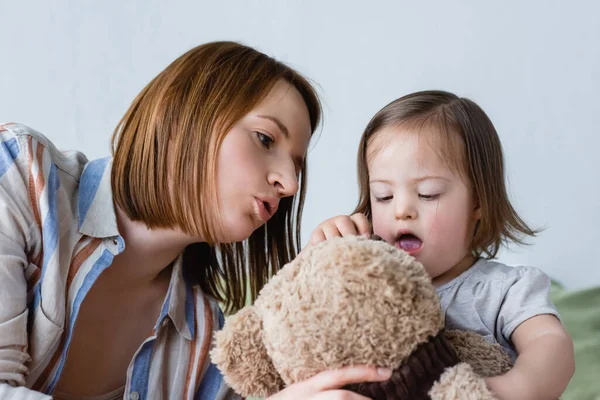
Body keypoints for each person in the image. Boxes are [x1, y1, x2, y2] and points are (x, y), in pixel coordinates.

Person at [0, 41, 391, 400]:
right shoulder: (19, 175)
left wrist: (316, 294)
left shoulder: (205, 335)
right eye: (266, 139)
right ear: (184, 117)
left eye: (297, 167)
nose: (288, 184)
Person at [308, 90, 575, 399]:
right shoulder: (367, 285)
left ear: (478, 201)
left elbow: (550, 342)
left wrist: (514, 389)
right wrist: (322, 260)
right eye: (383, 196)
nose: (401, 210)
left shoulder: (505, 290)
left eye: (428, 194)